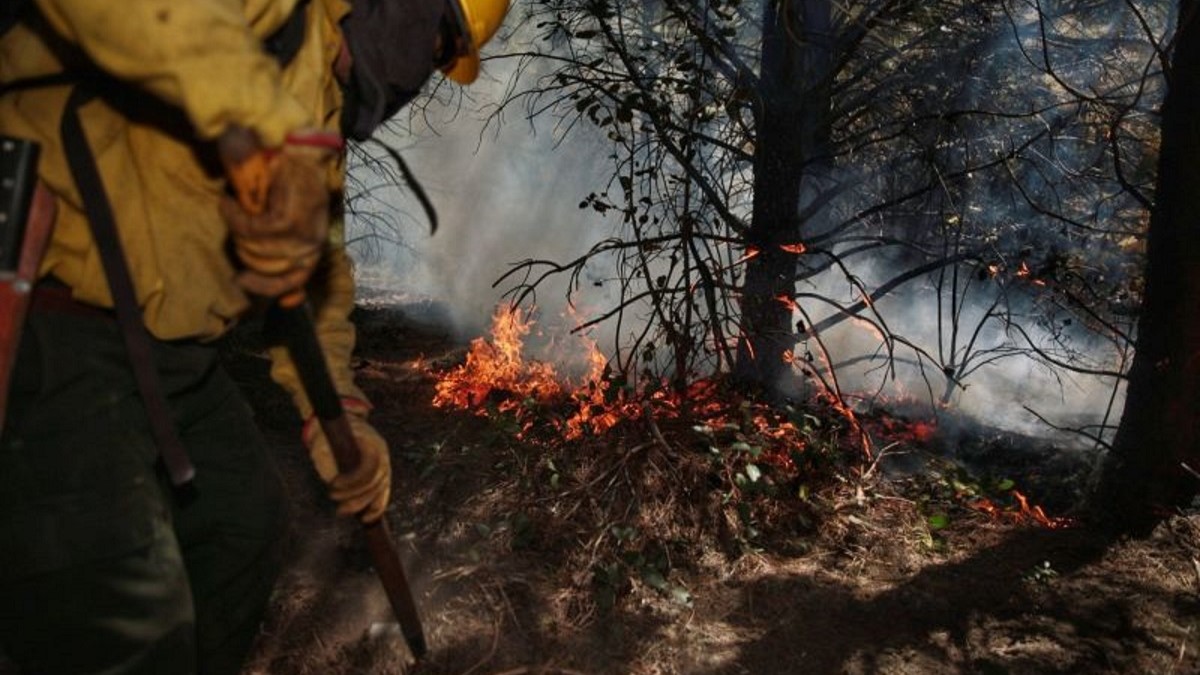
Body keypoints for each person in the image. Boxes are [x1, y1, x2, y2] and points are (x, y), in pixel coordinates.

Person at [0, 0, 510, 673]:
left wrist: (345, 418)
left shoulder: (317, 100)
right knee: (129, 613)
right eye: (440, 43)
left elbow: (316, 279)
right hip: (58, 325)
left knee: (244, 523)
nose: (423, 75)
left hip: (170, 359)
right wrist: (254, 118)